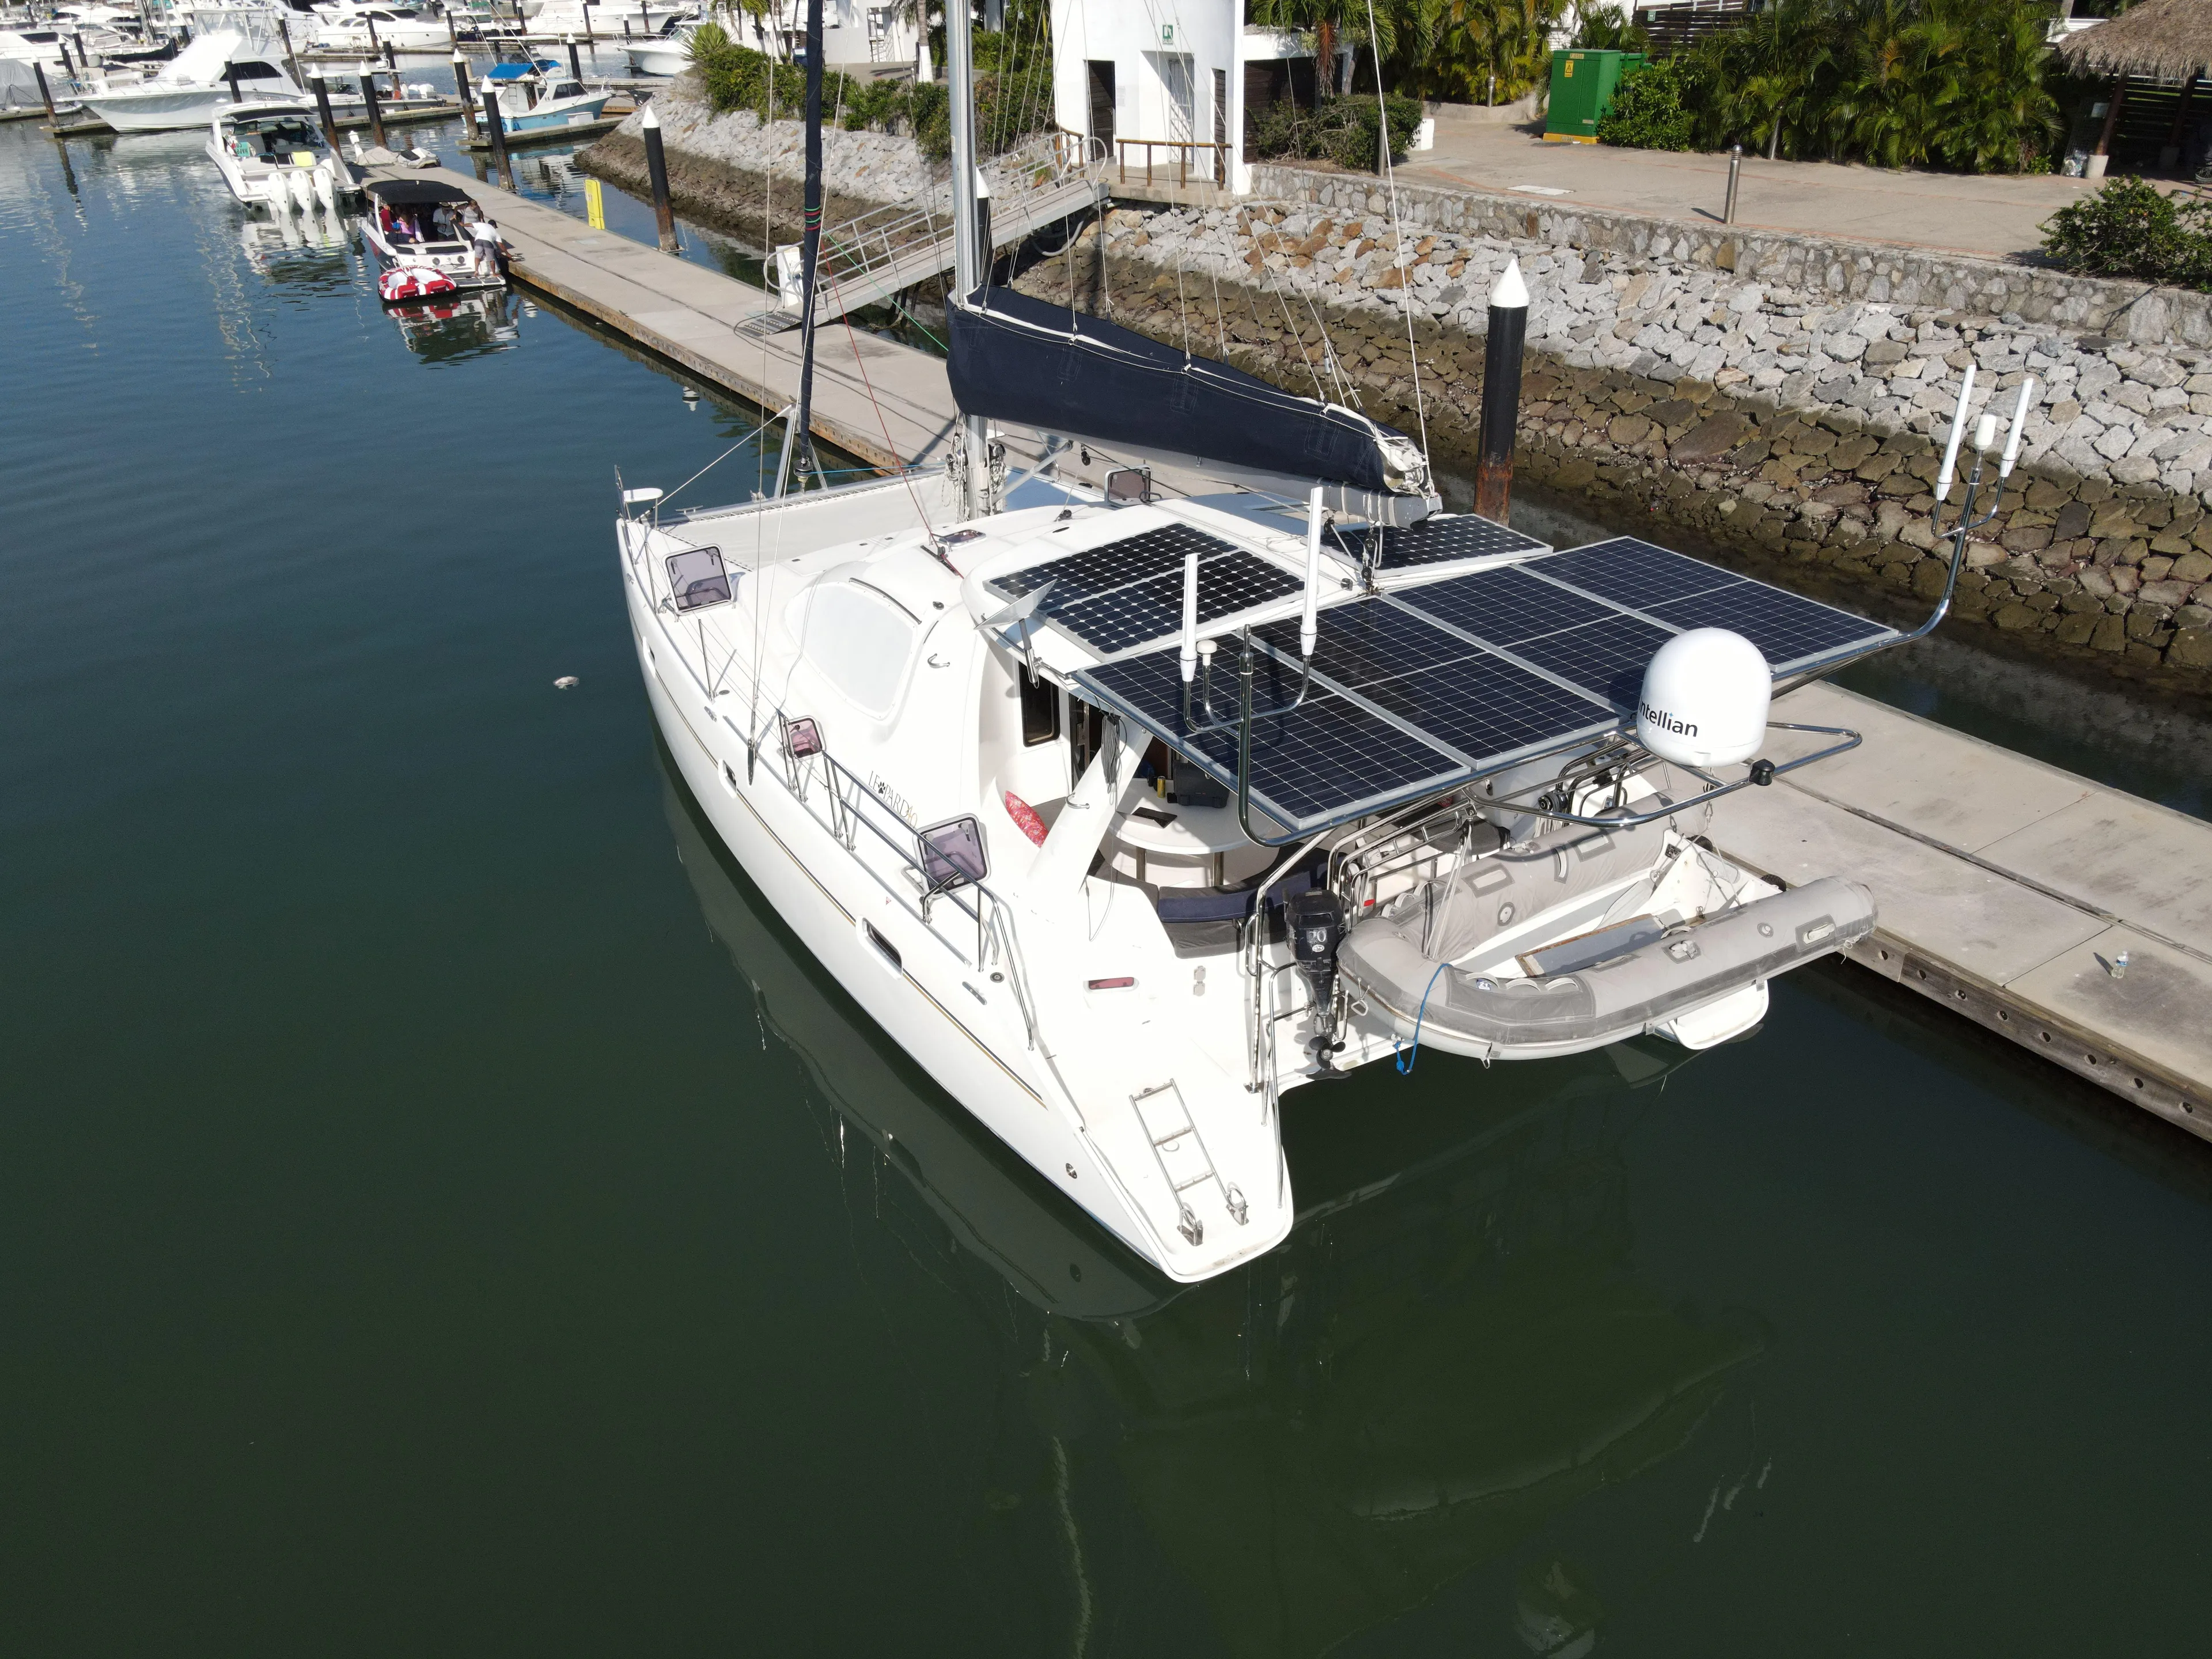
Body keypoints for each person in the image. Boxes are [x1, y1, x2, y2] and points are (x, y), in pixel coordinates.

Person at [469, 211, 507, 280]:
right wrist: (507, 254)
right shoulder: (495, 232)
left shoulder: (482, 226)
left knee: (477, 257)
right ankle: (494, 274)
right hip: (487, 244)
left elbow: (472, 227)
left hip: (478, 242)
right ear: (494, 226)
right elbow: (501, 245)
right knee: (491, 259)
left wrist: (462, 224)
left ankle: (476, 270)